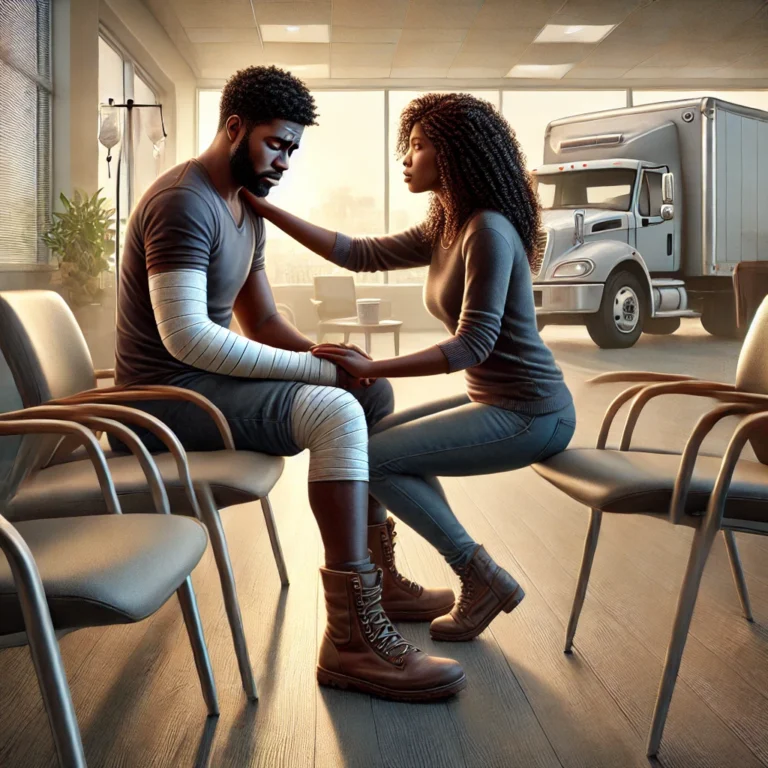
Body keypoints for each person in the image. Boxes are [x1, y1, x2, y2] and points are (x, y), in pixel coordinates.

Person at [113, 67, 465, 701]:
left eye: (294, 150)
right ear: (234, 127)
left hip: (206, 387)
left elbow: (264, 321)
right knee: (335, 412)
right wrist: (317, 370)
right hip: (164, 403)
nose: (285, 161)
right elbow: (186, 339)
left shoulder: (245, 209)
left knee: (368, 392)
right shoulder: (181, 202)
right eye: (277, 144)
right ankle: (350, 639)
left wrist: (329, 355)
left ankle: (376, 575)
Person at [242, 92, 576, 643]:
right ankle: (393, 583)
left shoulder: (487, 230)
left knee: (371, 460)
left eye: (418, 147)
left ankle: (479, 574)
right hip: (499, 402)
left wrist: (373, 366)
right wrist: (268, 209)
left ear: (453, 157)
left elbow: (473, 345)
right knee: (365, 442)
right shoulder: (449, 223)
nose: (407, 158)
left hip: (532, 414)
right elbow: (358, 252)